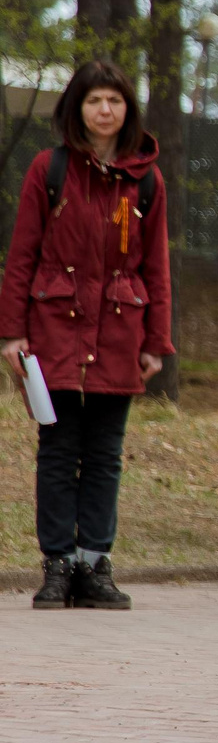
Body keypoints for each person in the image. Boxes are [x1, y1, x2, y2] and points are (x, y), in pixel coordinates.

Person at [2, 60, 171, 611]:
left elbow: (157, 268)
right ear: (76, 107)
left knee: (104, 454)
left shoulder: (146, 178)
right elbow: (22, 256)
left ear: (128, 109)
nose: (105, 110)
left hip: (120, 333)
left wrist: (155, 342)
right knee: (56, 450)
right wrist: (11, 334)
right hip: (52, 334)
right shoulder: (48, 170)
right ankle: (57, 566)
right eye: (95, 100)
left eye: (115, 101)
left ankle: (94, 564)